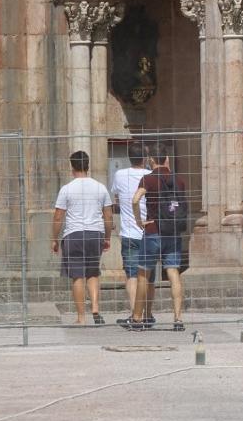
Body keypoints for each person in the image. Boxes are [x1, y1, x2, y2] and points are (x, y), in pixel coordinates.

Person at [126, 142, 189, 331]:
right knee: (173, 272)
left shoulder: (148, 180)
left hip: (153, 230)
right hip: (173, 232)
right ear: (166, 159)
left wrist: (138, 220)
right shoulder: (178, 180)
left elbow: (135, 199)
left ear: (151, 160)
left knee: (143, 273)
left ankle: (137, 319)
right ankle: (178, 319)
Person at [50, 150, 113, 326]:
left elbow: (58, 217)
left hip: (74, 234)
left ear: (72, 167)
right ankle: (95, 307)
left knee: (77, 276)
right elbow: (108, 216)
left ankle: (81, 317)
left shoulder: (67, 189)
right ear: (88, 165)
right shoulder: (100, 187)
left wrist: (54, 239)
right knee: (93, 273)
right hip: (95, 233)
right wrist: (107, 237)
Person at [111, 140, 153, 324]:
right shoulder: (151, 174)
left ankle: (134, 315)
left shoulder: (120, 174)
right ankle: (147, 314)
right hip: (149, 230)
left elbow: (116, 197)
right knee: (148, 275)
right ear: (144, 158)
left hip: (129, 231)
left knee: (132, 275)